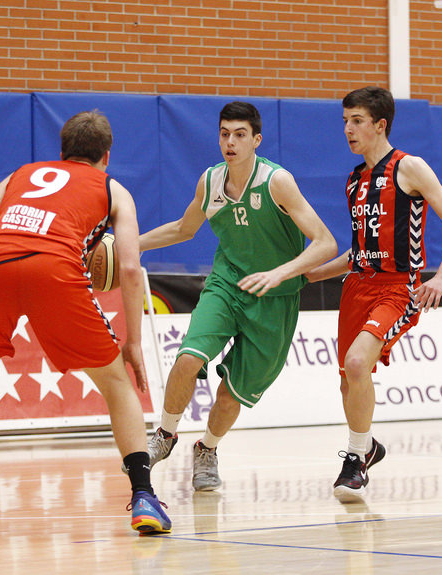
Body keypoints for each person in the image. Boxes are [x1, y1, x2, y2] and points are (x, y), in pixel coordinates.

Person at [0, 111, 171, 534]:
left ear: (62, 150)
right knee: (115, 383)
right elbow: (128, 268)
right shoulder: (113, 188)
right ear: (106, 156)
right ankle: (143, 496)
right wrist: (134, 342)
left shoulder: (22, 174)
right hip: (55, 270)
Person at [137, 101, 336, 491]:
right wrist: (132, 244)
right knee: (188, 359)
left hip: (275, 298)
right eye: (224, 134)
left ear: (256, 140)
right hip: (227, 285)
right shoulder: (210, 181)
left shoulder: (277, 181)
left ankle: (207, 449)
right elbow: (183, 228)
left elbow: (325, 242)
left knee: (231, 395)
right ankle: (165, 434)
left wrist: (280, 273)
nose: (230, 142)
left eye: (240, 135)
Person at [305, 86, 442, 501]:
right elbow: (356, 253)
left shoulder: (409, 167)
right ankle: (369, 447)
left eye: (356, 121)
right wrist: (308, 276)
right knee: (348, 379)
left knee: (359, 362)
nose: (348, 129)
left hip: (398, 287)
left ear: (380, 125)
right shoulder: (354, 180)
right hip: (357, 286)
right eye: (344, 121)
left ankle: (354, 460)